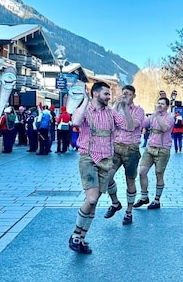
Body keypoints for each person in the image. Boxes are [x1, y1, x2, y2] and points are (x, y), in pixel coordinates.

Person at [68, 81, 127, 254]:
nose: (109, 97)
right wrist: (85, 101)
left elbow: (128, 127)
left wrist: (122, 106)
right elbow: (76, 122)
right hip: (88, 158)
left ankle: (81, 238)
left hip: (106, 160)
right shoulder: (85, 111)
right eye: (106, 94)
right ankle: (75, 235)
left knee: (93, 202)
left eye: (109, 94)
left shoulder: (111, 113)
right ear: (95, 94)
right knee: (92, 199)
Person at [104, 85, 144, 225]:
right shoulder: (117, 109)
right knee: (107, 177)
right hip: (116, 148)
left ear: (134, 95)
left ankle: (129, 211)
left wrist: (125, 108)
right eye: (124, 93)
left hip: (131, 149)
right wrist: (116, 105)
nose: (125, 96)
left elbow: (131, 126)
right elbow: (108, 120)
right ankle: (115, 203)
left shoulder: (139, 111)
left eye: (128, 94)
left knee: (130, 181)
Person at [137, 96, 175, 210]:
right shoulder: (152, 117)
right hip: (150, 148)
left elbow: (164, 128)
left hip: (163, 149)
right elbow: (142, 124)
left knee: (159, 174)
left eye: (162, 104)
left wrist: (157, 116)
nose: (159, 105)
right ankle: (144, 196)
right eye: (158, 103)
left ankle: (157, 200)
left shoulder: (170, 118)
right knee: (142, 172)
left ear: (167, 107)